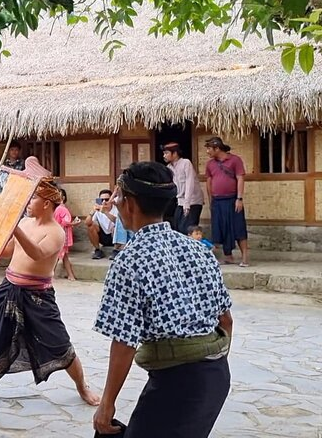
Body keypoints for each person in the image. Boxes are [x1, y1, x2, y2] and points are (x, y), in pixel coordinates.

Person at [92, 162, 233, 437]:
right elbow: (225, 319)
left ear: (129, 203)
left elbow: (124, 341)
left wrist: (107, 403)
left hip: (178, 384)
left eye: (119, 197)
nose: (116, 204)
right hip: (216, 376)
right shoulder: (198, 250)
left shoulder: (129, 261)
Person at [0, 175, 100, 407]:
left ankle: (82, 386)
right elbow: (7, 252)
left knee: (60, 345)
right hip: (9, 288)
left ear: (46, 203)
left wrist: (14, 227)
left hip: (38, 297)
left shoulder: (55, 232)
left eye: (32, 198)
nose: (27, 204)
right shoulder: (25, 224)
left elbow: (36, 253)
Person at [204, 137, 250, 266]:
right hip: (217, 200)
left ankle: (245, 257)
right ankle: (228, 256)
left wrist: (239, 198)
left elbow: (240, 178)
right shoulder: (210, 164)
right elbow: (209, 182)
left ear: (217, 148)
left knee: (238, 227)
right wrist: (211, 200)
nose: (207, 151)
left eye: (209, 149)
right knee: (221, 228)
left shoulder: (235, 160)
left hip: (232, 199)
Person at [162, 142, 204, 233]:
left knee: (188, 229)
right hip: (180, 202)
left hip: (193, 201)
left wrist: (187, 203)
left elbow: (190, 182)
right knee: (177, 227)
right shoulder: (169, 167)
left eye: (166, 153)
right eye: (164, 153)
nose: (164, 156)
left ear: (175, 153)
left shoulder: (186, 163)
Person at [53, 188, 82, 280]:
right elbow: (65, 222)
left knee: (58, 256)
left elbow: (64, 222)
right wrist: (74, 223)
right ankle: (70, 275)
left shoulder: (59, 209)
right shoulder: (61, 209)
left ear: (63, 197)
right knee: (62, 256)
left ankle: (50, 274)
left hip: (60, 235)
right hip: (61, 234)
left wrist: (73, 223)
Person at [84, 189, 117, 259]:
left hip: (115, 236)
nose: (104, 202)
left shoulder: (116, 208)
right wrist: (92, 211)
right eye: (102, 200)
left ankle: (116, 250)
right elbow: (87, 223)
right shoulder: (98, 210)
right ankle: (97, 250)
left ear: (111, 199)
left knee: (116, 227)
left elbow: (117, 222)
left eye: (106, 199)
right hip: (104, 237)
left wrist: (105, 212)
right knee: (91, 226)